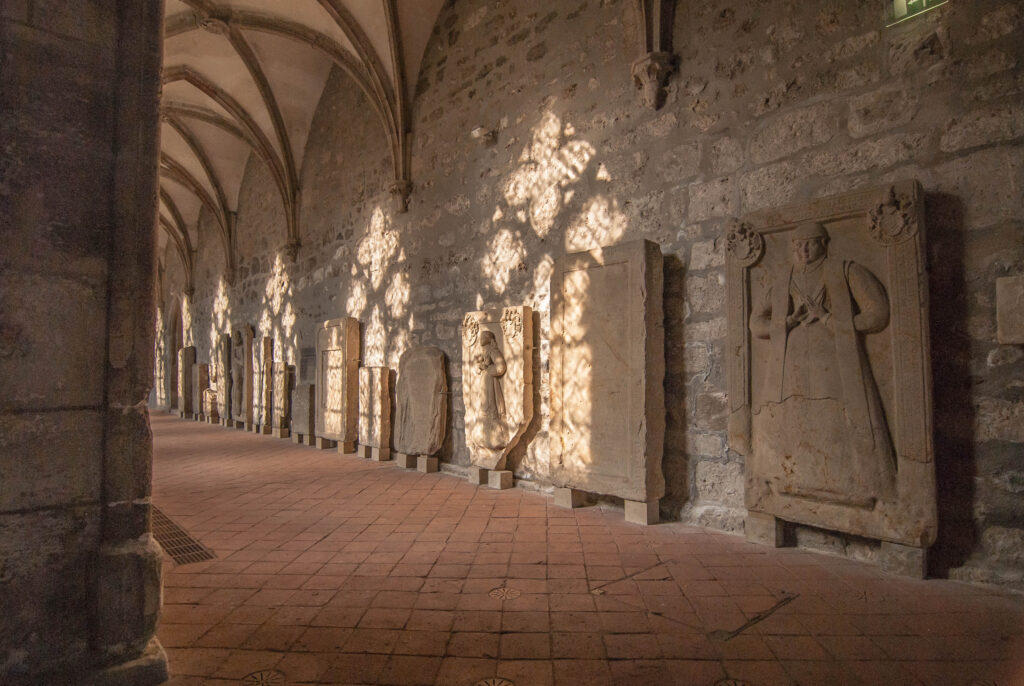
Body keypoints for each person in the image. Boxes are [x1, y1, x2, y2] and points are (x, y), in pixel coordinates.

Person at [750, 222, 895, 508]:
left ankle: (853, 485)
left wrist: (830, 319)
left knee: (840, 415)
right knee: (794, 413)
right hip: (791, 363)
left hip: (835, 358)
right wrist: (787, 322)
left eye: (810, 244)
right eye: (797, 245)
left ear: (823, 244)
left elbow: (877, 313)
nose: (803, 250)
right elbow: (756, 323)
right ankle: (792, 479)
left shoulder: (845, 270)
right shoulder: (784, 279)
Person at [471, 330, 508, 451]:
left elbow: (501, 367)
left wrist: (488, 369)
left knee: (490, 407)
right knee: (483, 407)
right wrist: (482, 367)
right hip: (484, 382)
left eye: (483, 336)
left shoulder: (493, 351)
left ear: (488, 338)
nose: (480, 337)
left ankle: (495, 438)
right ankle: (482, 436)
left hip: (490, 383)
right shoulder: (484, 351)